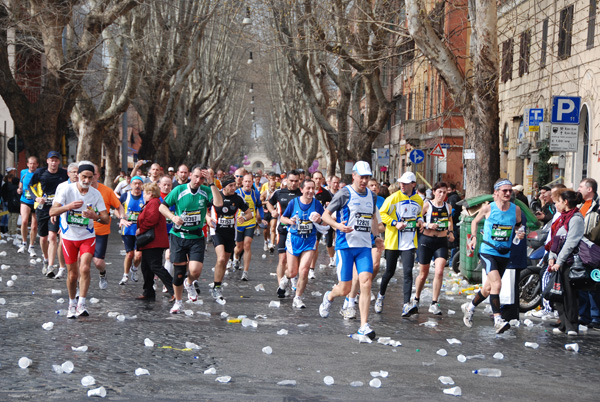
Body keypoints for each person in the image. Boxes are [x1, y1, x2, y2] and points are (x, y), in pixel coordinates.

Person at [319, 161, 384, 339]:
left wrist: (377, 237)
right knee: (345, 289)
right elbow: (325, 215)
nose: (364, 180)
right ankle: (329, 296)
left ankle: (364, 325)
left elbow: (371, 218)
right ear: (353, 175)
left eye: (367, 177)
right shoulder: (344, 193)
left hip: (364, 247)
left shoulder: (372, 196)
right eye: (361, 177)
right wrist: (337, 225)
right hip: (345, 246)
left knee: (366, 282)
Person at [462, 179, 525, 334]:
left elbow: (519, 225)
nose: (508, 193)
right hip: (488, 251)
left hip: (505, 253)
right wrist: (474, 237)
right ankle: (498, 320)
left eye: (510, 191)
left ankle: (470, 308)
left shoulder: (515, 209)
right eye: (504, 191)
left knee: (488, 288)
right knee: (497, 285)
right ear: (496, 193)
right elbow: (474, 222)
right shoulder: (488, 208)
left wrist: (520, 232)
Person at [159, 165, 223, 314]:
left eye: (201, 178)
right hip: (179, 236)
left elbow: (219, 204)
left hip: (196, 237)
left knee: (195, 270)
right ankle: (178, 302)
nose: (198, 180)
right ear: (190, 175)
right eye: (195, 176)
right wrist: (173, 217)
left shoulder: (206, 191)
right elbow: (162, 208)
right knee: (179, 272)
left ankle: (189, 283)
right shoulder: (179, 190)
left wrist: (211, 182)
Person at [50, 162, 109, 318]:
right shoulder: (66, 190)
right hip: (69, 237)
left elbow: (106, 219)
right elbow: (52, 211)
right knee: (72, 275)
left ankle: (82, 303)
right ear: (77, 176)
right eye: (84, 177)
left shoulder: (95, 194)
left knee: (84, 268)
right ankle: (71, 303)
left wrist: (94, 216)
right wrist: (68, 207)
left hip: (87, 236)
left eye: (90, 177)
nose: (86, 180)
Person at [375, 171, 423, 316]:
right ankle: (380, 296)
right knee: (389, 272)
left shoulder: (419, 200)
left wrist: (420, 220)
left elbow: (419, 213)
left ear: (413, 184)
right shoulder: (393, 198)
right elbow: (382, 213)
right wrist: (394, 223)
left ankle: (406, 305)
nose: (402, 185)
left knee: (408, 272)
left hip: (409, 242)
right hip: (393, 242)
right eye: (401, 183)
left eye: (406, 183)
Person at [279, 179, 325, 309]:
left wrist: (320, 219)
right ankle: (285, 279)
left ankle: (298, 298)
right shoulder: (293, 203)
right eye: (308, 188)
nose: (311, 191)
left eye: (313, 188)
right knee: (293, 272)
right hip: (294, 240)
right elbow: (282, 218)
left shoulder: (317, 204)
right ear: (302, 189)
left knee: (304, 271)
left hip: (309, 241)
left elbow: (325, 222)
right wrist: (290, 221)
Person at [206, 175, 251, 305]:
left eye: (234, 185)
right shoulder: (216, 195)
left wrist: (244, 218)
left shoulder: (237, 198)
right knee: (220, 259)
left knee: (224, 262)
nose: (234, 188)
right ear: (224, 186)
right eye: (231, 185)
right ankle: (217, 287)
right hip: (217, 231)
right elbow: (204, 210)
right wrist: (208, 219)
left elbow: (248, 213)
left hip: (231, 232)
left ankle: (216, 286)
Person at [548, 190, 585, 335]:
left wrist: (560, 261)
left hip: (569, 261)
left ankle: (571, 326)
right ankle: (563, 323)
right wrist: (551, 256)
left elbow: (571, 242)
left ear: (565, 202)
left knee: (570, 294)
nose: (556, 204)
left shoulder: (575, 218)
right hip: (558, 260)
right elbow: (555, 239)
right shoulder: (563, 218)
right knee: (557, 293)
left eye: (558, 201)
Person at [414, 182, 454, 315]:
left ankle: (434, 303)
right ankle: (416, 298)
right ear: (434, 192)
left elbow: (450, 220)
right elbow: (417, 221)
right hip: (426, 240)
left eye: (444, 192)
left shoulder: (448, 207)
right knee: (423, 273)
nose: (442, 195)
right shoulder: (427, 205)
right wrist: (427, 224)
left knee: (439, 271)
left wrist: (451, 232)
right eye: (439, 192)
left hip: (441, 241)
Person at [29, 151, 69, 277]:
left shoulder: (63, 173)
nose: (53, 162)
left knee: (53, 237)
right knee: (43, 238)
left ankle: (51, 267)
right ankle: (46, 259)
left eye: (56, 160)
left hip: (56, 208)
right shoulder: (40, 172)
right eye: (51, 160)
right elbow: (30, 186)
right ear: (47, 161)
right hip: (42, 208)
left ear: (58, 162)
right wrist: (37, 198)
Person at [135, 182, 174, 301]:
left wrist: (140, 230)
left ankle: (173, 289)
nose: (143, 195)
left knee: (155, 266)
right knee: (146, 267)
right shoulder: (152, 203)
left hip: (154, 241)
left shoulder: (154, 203)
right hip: (150, 242)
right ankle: (148, 292)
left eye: (144, 193)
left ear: (150, 193)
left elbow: (151, 219)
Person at [91, 164, 125, 289]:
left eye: (93, 174)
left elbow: (119, 206)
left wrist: (121, 218)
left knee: (98, 262)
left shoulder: (106, 190)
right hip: (83, 232)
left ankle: (102, 273)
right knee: (80, 261)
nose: (91, 177)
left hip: (101, 231)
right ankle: (78, 288)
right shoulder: (80, 190)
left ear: (98, 175)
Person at [269, 170, 301, 297]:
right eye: (291, 180)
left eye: (296, 181)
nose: (293, 183)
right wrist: (272, 212)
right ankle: (281, 286)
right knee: (282, 259)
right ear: (286, 180)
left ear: (299, 181)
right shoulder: (279, 193)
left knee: (293, 261)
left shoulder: (302, 193)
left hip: (297, 232)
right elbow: (270, 204)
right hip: (283, 229)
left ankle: (290, 278)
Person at [577, 178, 600, 329]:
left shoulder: (597, 207)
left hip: (594, 251)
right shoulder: (580, 205)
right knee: (581, 282)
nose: (578, 189)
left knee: (594, 284)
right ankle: (584, 315)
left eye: (581, 186)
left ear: (589, 189)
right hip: (581, 250)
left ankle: (596, 317)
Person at [232, 173, 263, 281]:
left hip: (250, 222)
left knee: (247, 245)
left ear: (252, 182)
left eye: (250, 181)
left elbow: (259, 205)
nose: (248, 183)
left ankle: (245, 272)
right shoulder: (237, 193)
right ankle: (235, 258)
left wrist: (261, 217)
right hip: (239, 223)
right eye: (245, 181)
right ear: (242, 182)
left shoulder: (255, 194)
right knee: (238, 248)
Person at [119, 176, 145, 285]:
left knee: (138, 255)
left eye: (139, 183)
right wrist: (121, 218)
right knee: (129, 254)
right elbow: (117, 208)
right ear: (131, 185)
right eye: (135, 183)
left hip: (141, 230)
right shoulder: (125, 196)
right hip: (128, 229)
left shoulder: (145, 197)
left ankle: (134, 269)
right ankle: (125, 275)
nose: (137, 186)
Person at [307, 170, 331, 280]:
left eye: (319, 178)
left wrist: (327, 207)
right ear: (312, 179)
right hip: (305, 222)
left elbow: (330, 209)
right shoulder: (305, 190)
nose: (317, 181)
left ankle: (311, 269)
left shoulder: (325, 193)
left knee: (315, 245)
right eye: (315, 178)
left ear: (322, 180)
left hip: (317, 224)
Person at [17, 156, 39, 256]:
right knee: (24, 221)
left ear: (37, 165)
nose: (32, 165)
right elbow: (21, 183)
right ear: (27, 164)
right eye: (30, 163)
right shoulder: (23, 172)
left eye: (34, 163)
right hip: (25, 200)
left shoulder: (40, 173)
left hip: (36, 202)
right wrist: (19, 189)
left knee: (34, 226)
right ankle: (24, 242)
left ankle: (31, 246)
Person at [325, 175, 340, 267]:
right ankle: (331, 257)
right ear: (330, 183)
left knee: (338, 238)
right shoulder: (326, 194)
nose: (335, 184)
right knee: (329, 240)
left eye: (337, 183)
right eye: (334, 182)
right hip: (328, 219)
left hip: (338, 219)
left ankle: (336, 257)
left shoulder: (341, 194)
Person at [1, 168, 20, 236]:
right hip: (14, 204)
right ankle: (13, 230)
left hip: (9, 203)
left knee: (9, 217)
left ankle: (8, 230)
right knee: (13, 218)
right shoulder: (15, 188)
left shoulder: (6, 185)